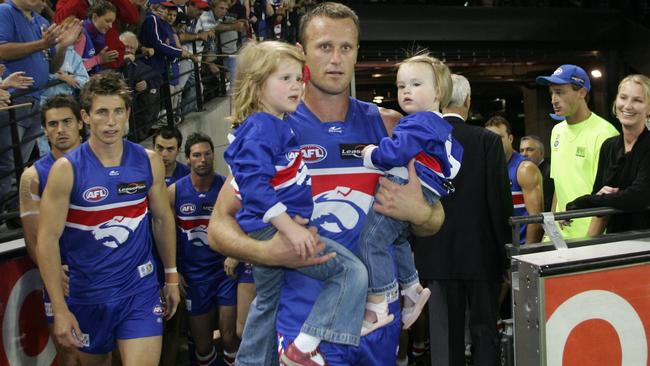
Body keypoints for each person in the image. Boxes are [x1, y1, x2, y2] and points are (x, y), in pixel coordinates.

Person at [209, 3, 444, 365]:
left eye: (346, 48)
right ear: (301, 53)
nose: (336, 59)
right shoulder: (272, 126)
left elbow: (435, 219)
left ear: (357, 53)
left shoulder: (391, 125)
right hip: (304, 323)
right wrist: (266, 253)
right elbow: (218, 227)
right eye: (324, 47)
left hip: (376, 319)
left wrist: (419, 213)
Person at [224, 40, 368, 366]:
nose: (296, 86)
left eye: (297, 78)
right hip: (274, 231)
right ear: (258, 86)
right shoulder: (262, 126)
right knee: (351, 273)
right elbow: (254, 187)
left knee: (268, 302)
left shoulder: (276, 122)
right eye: (284, 78)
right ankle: (304, 347)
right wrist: (289, 228)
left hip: (278, 229)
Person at [35, 71, 180, 365]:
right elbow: (46, 240)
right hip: (88, 295)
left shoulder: (149, 161)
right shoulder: (66, 171)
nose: (111, 121)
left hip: (139, 290)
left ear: (128, 113)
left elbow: (162, 219)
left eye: (118, 111)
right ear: (86, 117)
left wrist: (172, 275)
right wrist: (60, 309)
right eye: (102, 112)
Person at [358, 54, 462, 334]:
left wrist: (370, 154)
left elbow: (395, 152)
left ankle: (378, 303)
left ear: (438, 92)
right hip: (428, 187)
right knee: (399, 239)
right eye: (401, 85)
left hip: (407, 184)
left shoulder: (417, 122)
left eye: (415, 84)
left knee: (370, 241)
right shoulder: (439, 125)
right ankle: (412, 287)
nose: (406, 91)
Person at [414, 74, 512, 366]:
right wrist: (505, 252)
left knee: (444, 338)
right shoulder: (487, 141)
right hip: (481, 255)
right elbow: (498, 202)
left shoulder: (422, 139)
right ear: (468, 101)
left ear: (439, 98)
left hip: (434, 254)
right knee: (484, 333)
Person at [19, 94, 84, 366]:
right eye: (53, 124)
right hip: (64, 279)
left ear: (81, 122)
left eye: (67, 121)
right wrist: (54, 272)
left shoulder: (106, 162)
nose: (60, 130)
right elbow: (34, 239)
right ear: (44, 130)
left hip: (105, 273)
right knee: (70, 354)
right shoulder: (33, 176)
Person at [0, 0, 81, 208]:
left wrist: (62, 46)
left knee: (21, 162)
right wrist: (41, 44)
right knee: (7, 161)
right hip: (11, 101)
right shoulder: (5, 11)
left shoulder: (39, 20)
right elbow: (2, 50)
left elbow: (52, 65)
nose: (43, 0)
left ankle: (13, 208)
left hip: (36, 100)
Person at [169, 132, 238, 365]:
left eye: (207, 154)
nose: (203, 160)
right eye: (196, 155)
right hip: (194, 278)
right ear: (187, 159)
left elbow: (244, 221)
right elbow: (163, 234)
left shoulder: (227, 186)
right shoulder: (175, 192)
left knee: (230, 338)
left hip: (224, 273)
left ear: (214, 156)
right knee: (203, 344)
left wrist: (234, 253)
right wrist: (172, 271)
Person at [536, 64, 618, 239]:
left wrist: (589, 243)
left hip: (588, 237)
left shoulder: (605, 134)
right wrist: (549, 231)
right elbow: (559, 185)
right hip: (558, 237)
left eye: (560, 92)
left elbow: (607, 197)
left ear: (581, 92)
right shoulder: (556, 131)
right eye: (551, 92)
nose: (553, 99)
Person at [567, 74, 650, 235]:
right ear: (616, 101)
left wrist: (582, 201)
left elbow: (638, 197)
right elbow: (598, 195)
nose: (628, 106)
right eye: (623, 98)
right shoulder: (609, 146)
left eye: (637, 100)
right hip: (614, 241)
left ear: (649, 108)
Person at [485, 116, 543, 244]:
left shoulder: (524, 169)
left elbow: (535, 218)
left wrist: (528, 253)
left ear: (510, 138)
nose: (493, 142)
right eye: (489, 138)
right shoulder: (486, 168)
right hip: (497, 248)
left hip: (520, 247)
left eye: (498, 138)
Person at [520, 135, 553, 212]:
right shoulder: (521, 173)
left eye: (529, 150)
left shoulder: (549, 173)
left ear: (541, 153)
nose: (524, 154)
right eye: (521, 150)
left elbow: (547, 207)